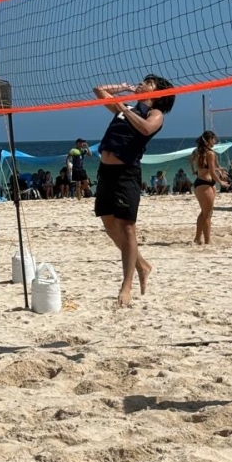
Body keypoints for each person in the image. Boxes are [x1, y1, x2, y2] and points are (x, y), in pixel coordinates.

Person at [93, 75, 175, 307]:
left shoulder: (154, 114)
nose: (142, 84)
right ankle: (141, 265)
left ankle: (126, 286)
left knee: (127, 227)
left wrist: (124, 109)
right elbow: (98, 89)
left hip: (126, 173)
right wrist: (124, 89)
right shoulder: (125, 107)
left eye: (148, 83)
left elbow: (147, 129)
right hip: (105, 172)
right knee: (108, 224)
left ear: (157, 95)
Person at [189, 130, 226, 245]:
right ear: (209, 140)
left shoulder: (198, 151)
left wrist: (193, 170)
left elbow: (191, 161)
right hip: (205, 184)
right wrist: (221, 182)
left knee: (204, 213)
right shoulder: (210, 153)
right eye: (213, 139)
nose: (215, 140)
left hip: (201, 182)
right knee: (208, 214)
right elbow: (210, 171)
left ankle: (197, 238)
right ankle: (207, 240)